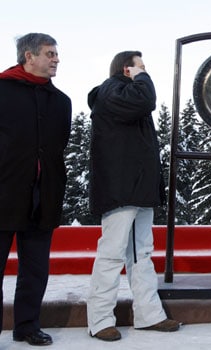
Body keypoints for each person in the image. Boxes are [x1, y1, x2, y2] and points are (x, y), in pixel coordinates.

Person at [86, 51, 180, 341]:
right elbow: (145, 100)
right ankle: (99, 320)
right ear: (127, 69)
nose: (145, 70)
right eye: (141, 65)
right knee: (112, 254)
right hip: (119, 188)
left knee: (142, 255)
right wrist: (141, 76)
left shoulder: (125, 93)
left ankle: (148, 315)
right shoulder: (110, 90)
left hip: (139, 189)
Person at [0, 33, 72, 346]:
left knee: (35, 269)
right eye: (49, 53)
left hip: (43, 197)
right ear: (29, 57)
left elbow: (58, 148)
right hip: (3, 194)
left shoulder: (61, 102)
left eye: (56, 54)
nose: (56, 59)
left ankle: (27, 326)